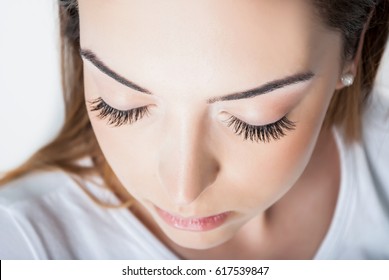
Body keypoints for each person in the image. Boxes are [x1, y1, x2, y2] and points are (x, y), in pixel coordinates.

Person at [0, 0, 389, 260]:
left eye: (254, 119)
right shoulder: (22, 244)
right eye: (121, 105)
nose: (182, 191)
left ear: (351, 49)